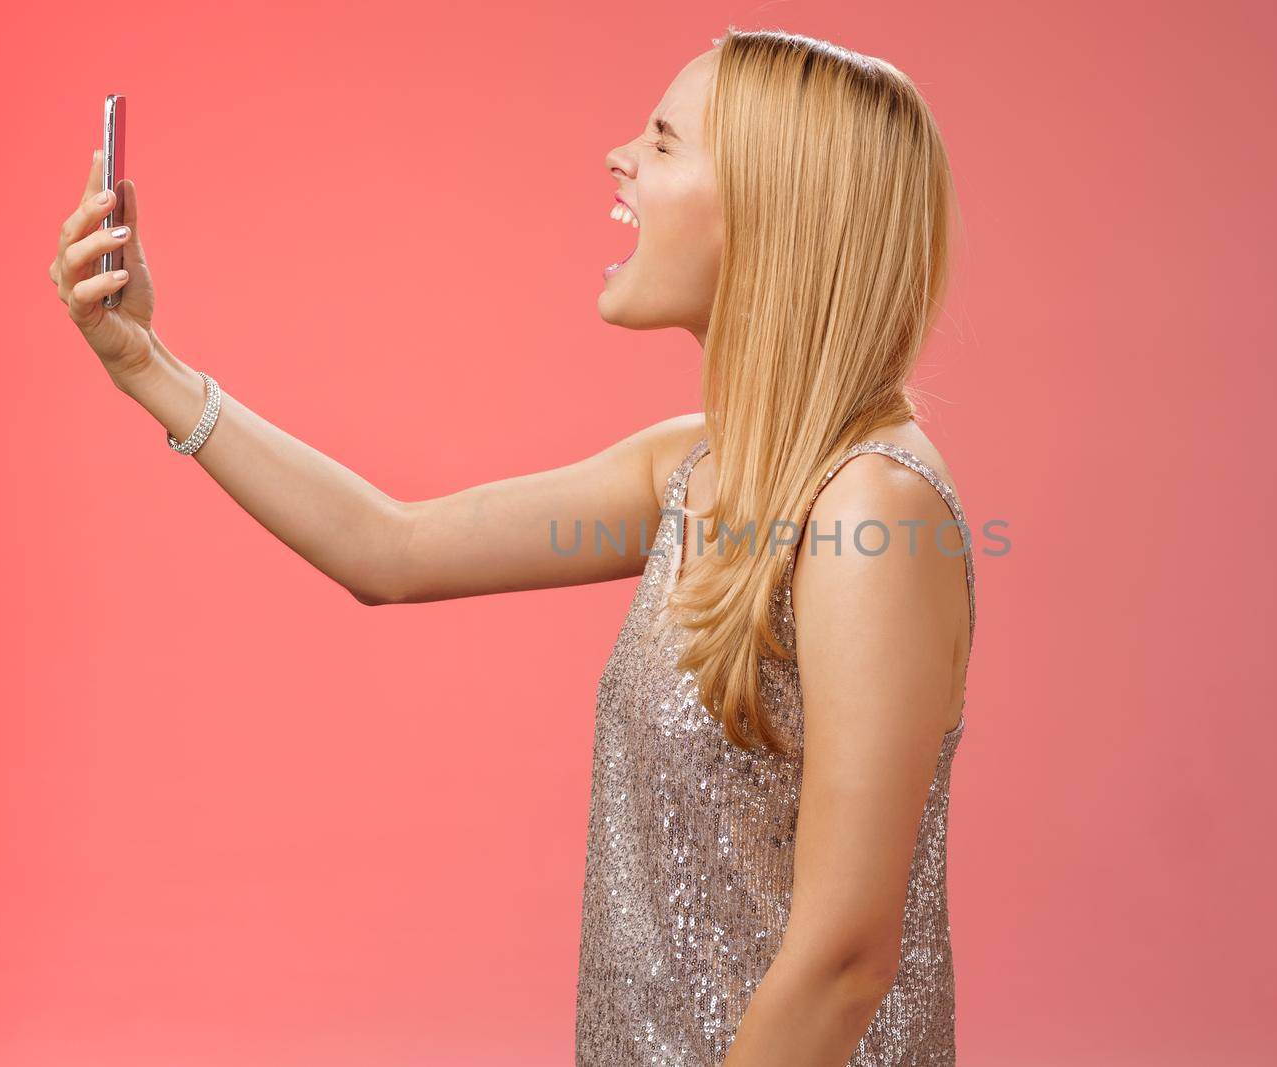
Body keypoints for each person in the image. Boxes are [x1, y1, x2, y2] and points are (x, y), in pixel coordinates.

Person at [49, 26, 974, 1067]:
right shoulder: (697, 471)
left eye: (664, 142)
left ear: (771, 209)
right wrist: (146, 364)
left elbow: (844, 960)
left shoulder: (872, 512)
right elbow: (390, 547)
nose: (618, 156)